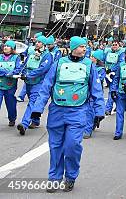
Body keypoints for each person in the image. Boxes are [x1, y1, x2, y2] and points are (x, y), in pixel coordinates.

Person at [30, 36, 105, 193]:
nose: (84, 49)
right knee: (55, 146)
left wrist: (99, 111)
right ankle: (54, 178)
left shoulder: (89, 65)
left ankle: (70, 177)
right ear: (73, 48)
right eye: (81, 46)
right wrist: (37, 109)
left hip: (78, 112)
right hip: (57, 111)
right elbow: (46, 86)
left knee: (72, 145)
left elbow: (96, 90)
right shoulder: (58, 64)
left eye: (85, 46)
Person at [17, 34, 53, 134]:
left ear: (44, 44)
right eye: (36, 42)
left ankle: (24, 124)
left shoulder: (47, 55)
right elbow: (25, 64)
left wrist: (29, 75)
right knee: (34, 102)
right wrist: (22, 73)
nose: (37, 43)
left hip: (39, 83)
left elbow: (42, 69)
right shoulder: (32, 52)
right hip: (28, 82)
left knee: (32, 102)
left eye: (40, 42)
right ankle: (36, 120)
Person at [83, 49, 106, 139]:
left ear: (97, 59)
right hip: (86, 91)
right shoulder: (88, 66)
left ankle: (88, 130)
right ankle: (95, 120)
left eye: (93, 57)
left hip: (95, 92)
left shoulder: (101, 69)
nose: (90, 57)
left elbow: (98, 80)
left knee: (90, 111)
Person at [0, 39, 22, 127]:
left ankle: (12, 119)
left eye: (8, 46)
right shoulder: (0, 56)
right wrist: (5, 73)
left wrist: (12, 73)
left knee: (11, 104)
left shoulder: (16, 58)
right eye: (5, 46)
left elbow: (18, 69)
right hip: (0, 84)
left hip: (10, 85)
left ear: (12, 48)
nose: (6, 47)